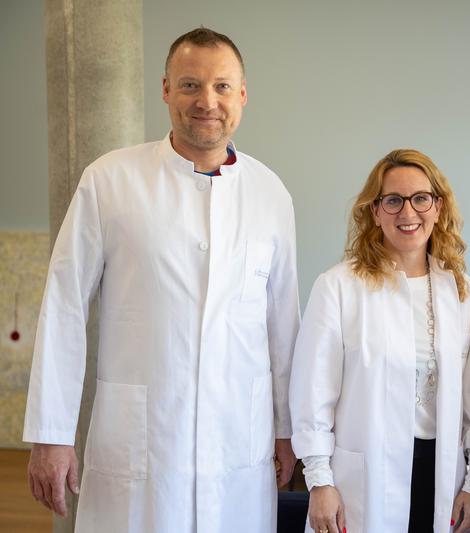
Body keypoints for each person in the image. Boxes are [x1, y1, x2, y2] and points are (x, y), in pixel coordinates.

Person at [23, 27, 300, 532]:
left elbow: (282, 323)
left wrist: (286, 429)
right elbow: (64, 306)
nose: (206, 101)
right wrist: (51, 433)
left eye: (221, 86)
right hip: (142, 449)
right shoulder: (109, 181)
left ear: (243, 95)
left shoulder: (271, 194)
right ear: (166, 89)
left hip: (237, 445)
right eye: (190, 85)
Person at [289, 149, 470, 533]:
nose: (408, 213)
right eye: (393, 201)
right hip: (365, 477)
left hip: (442, 472)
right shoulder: (338, 287)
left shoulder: (465, 292)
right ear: (375, 211)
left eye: (420, 199)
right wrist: (319, 481)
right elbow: (312, 395)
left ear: (438, 206)